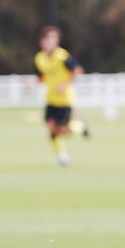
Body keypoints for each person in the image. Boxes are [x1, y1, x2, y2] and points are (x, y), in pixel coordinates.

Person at [34, 26, 88, 166]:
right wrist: (33, 83)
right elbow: (44, 77)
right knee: (51, 130)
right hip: (51, 99)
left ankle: (80, 126)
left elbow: (77, 71)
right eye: (47, 39)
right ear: (42, 41)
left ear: (57, 41)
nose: (50, 42)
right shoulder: (39, 58)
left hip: (65, 100)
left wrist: (64, 85)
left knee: (62, 131)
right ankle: (62, 155)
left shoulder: (62, 56)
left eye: (53, 39)